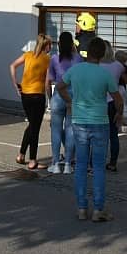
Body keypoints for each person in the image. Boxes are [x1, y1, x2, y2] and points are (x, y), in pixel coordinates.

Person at [60, 37, 122, 222]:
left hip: (79, 121)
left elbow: (61, 86)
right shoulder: (105, 74)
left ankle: (81, 208)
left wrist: (69, 102)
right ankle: (98, 209)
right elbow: (118, 99)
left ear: (87, 52)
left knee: (80, 165)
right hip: (100, 122)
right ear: (102, 54)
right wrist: (119, 113)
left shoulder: (76, 70)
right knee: (98, 167)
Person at [10, 34, 52, 169]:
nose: (51, 47)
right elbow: (47, 82)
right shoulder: (47, 59)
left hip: (25, 94)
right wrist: (49, 97)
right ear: (46, 45)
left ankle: (21, 154)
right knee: (35, 128)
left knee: (31, 125)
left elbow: (12, 66)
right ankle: (33, 160)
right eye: (50, 44)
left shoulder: (28, 55)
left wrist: (15, 84)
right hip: (37, 95)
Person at [45, 31, 80, 175]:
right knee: (71, 129)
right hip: (73, 96)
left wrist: (49, 99)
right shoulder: (78, 59)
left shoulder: (54, 59)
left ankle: (55, 163)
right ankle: (68, 164)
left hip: (58, 96)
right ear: (72, 44)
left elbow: (48, 81)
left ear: (59, 44)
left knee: (56, 129)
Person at [99, 42, 126, 172]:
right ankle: (113, 162)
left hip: (99, 103)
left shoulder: (96, 66)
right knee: (113, 134)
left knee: (99, 135)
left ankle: (97, 161)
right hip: (113, 102)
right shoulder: (118, 66)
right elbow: (126, 79)